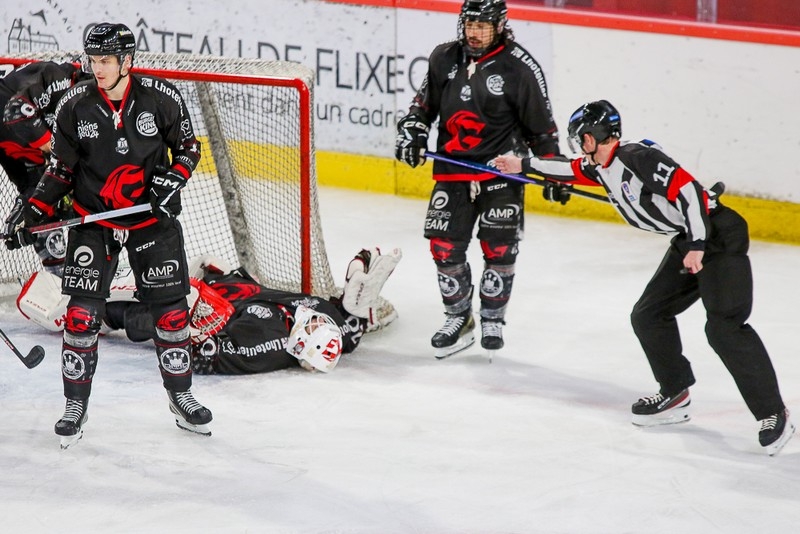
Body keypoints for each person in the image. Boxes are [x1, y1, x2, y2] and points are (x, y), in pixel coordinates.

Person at [493, 99, 794, 455]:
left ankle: (774, 413)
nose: (579, 144)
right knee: (648, 314)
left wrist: (697, 244)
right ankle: (674, 391)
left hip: (717, 237)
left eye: (582, 137)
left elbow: (689, 193)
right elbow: (565, 168)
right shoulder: (600, 168)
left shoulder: (638, 157)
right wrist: (519, 164)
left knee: (723, 327)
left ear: (594, 136)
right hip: (690, 242)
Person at [4, 22, 207, 448]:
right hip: (93, 220)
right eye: (93, 59)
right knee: (80, 318)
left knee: (170, 315)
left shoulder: (162, 98)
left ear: (126, 61)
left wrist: (172, 180)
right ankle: (74, 406)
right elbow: (59, 170)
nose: (98, 68)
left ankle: (181, 396)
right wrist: (32, 211)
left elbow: (189, 148)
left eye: (106, 60)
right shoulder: (74, 106)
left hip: (151, 221)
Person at [394, 0, 561, 359]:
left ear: (500, 26)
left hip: (501, 172)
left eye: (483, 25)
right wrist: (413, 131)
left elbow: (542, 129)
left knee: (498, 249)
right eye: (470, 23)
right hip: (453, 169)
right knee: (443, 246)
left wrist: (551, 168)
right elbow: (422, 107)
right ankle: (459, 318)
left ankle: (492, 319)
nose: (474, 32)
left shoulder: (520, 67)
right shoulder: (444, 58)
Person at [17, 248, 402, 374]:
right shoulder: (329, 325)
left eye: (314, 325)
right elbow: (349, 325)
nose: (318, 317)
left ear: (299, 343)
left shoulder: (261, 347)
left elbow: (202, 359)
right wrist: (358, 283)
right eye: (322, 321)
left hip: (198, 303)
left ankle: (70, 310)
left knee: (157, 300)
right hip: (227, 282)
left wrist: (200, 326)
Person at [1, 60, 91, 273]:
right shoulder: (59, 77)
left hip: (13, 138)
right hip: (12, 124)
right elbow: (17, 112)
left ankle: (56, 271)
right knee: (51, 187)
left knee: (41, 193)